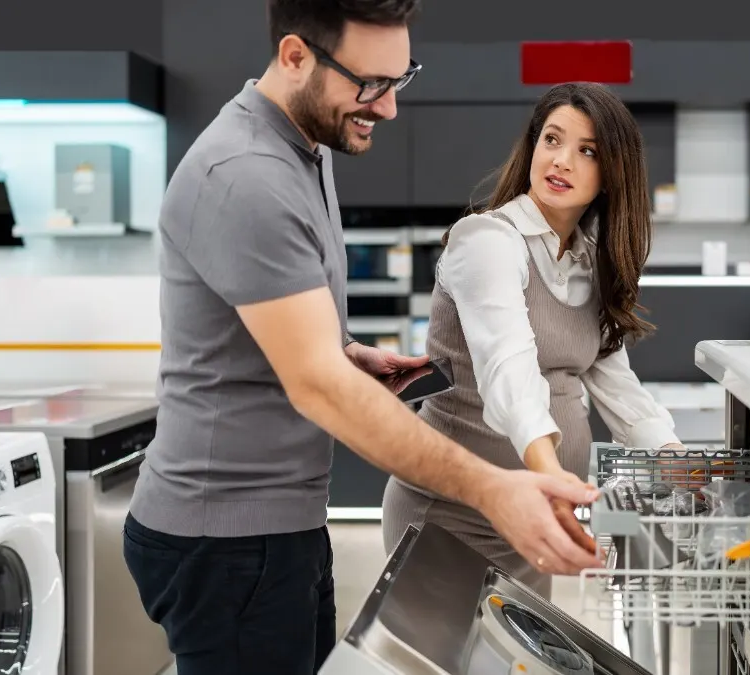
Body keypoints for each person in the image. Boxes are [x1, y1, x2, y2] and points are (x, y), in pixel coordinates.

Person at [121, 2, 601, 674]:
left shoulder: (303, 147)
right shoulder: (247, 174)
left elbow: (280, 343)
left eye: (399, 81)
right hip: (227, 538)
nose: (389, 108)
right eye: (371, 84)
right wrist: (493, 488)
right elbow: (318, 387)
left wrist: (346, 356)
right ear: (295, 56)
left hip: (276, 527)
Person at [382, 82, 685, 599]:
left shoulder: (590, 261)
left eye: (587, 150)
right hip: (454, 513)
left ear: (612, 174)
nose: (562, 161)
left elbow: (618, 386)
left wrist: (678, 463)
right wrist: (554, 484)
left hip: (528, 517)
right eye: (552, 140)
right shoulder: (487, 241)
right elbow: (510, 372)